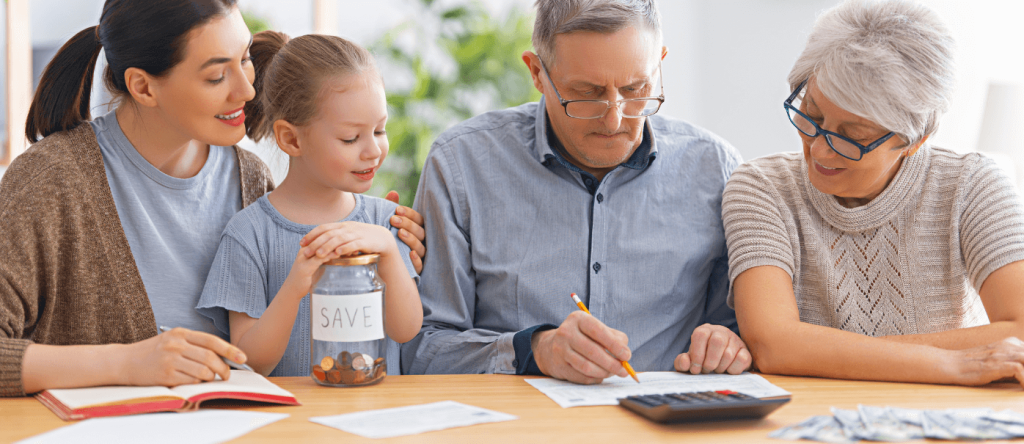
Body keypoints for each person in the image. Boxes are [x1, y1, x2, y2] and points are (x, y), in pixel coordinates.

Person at [0, 0, 423, 397]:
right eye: (217, 76)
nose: (248, 91)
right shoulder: (51, 181)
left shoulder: (250, 178)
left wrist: (391, 246)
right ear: (143, 87)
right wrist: (125, 362)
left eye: (245, 60)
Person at [403, 0, 752, 383]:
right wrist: (534, 351)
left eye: (636, 89)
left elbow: (740, 329)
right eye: (587, 93)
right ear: (537, 72)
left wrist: (729, 342)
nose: (614, 118)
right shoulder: (462, 166)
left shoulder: (715, 168)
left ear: (660, 64)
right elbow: (422, 348)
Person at [725, 0, 1024, 386]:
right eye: (811, 117)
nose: (819, 149)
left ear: (914, 140)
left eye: (851, 137)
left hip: (944, 412)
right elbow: (773, 343)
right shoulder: (760, 187)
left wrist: (824, 351)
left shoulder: (972, 185)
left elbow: (1019, 328)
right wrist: (952, 364)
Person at [196, 31, 423, 376]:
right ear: (291, 138)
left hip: (377, 417)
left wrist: (389, 251)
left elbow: (405, 330)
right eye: (350, 138)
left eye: (379, 130)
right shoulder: (249, 234)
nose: (373, 150)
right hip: (293, 424)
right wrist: (296, 284)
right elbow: (250, 361)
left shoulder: (387, 223)